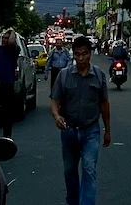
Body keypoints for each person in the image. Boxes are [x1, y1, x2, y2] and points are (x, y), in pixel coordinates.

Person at [51, 36, 111, 205]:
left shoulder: (99, 76)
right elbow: (55, 101)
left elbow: (104, 104)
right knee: (69, 171)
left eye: (85, 54)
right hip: (69, 131)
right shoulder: (64, 76)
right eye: (77, 54)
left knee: (89, 169)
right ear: (73, 55)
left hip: (91, 130)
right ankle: (73, 201)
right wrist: (57, 116)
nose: (81, 58)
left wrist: (107, 130)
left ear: (90, 54)